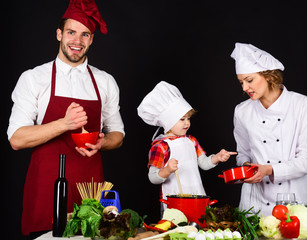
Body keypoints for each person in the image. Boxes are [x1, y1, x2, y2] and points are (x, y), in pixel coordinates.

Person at [7, 0, 124, 237]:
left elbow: (118, 135)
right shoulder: (33, 78)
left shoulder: (105, 81)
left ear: (91, 39)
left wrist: (102, 142)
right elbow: (17, 139)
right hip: (46, 191)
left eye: (85, 35)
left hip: (91, 195)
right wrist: (64, 123)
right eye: (71, 32)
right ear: (59, 34)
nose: (77, 41)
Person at [230, 43, 307, 216]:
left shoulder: (302, 105)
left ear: (269, 75)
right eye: (241, 82)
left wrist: (268, 170)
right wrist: (247, 168)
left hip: (293, 205)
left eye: (249, 80)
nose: (244, 88)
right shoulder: (242, 111)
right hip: (254, 206)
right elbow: (243, 155)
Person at [137, 81, 236, 212]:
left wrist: (217, 158)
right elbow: (153, 177)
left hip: (197, 196)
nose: (187, 123)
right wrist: (167, 170)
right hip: (174, 200)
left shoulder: (191, 140)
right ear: (169, 121)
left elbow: (204, 164)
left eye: (188, 118)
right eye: (182, 119)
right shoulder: (160, 146)